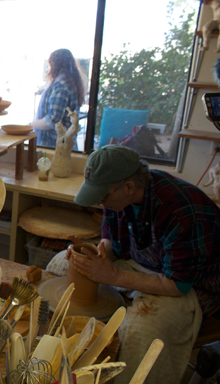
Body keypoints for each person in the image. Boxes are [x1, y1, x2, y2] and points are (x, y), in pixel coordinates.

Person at [69, 145, 220, 384]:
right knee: (62, 263)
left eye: (103, 196)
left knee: (142, 330)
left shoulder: (181, 211)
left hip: (190, 286)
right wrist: (98, 253)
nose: (100, 203)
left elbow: (178, 284)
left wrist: (114, 276)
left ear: (129, 187)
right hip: (140, 265)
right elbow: (110, 238)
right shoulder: (118, 199)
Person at [31, 49, 86, 147]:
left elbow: (52, 120)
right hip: (63, 142)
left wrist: (30, 125)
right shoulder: (70, 82)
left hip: (55, 144)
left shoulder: (61, 86)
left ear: (55, 64)